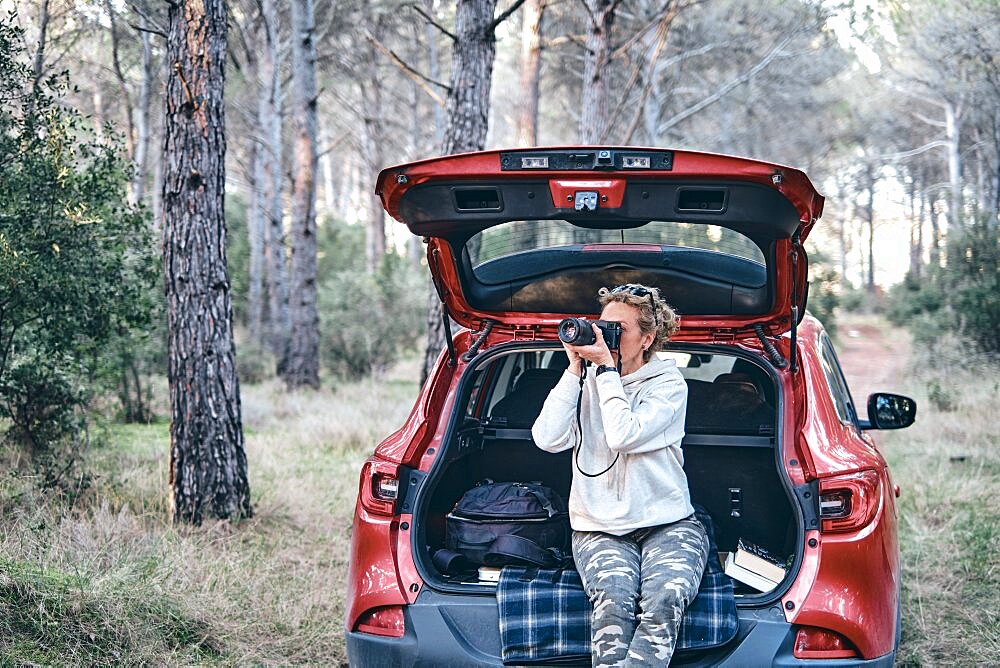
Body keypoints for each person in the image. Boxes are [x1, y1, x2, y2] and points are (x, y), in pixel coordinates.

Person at [531, 283, 708, 667]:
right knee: (613, 601)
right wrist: (575, 370)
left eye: (618, 329)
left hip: (668, 522)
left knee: (665, 596)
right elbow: (546, 438)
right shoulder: (589, 378)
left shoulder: (669, 385)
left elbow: (623, 435)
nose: (604, 336)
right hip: (598, 525)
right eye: (601, 326)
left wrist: (607, 372)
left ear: (647, 338)